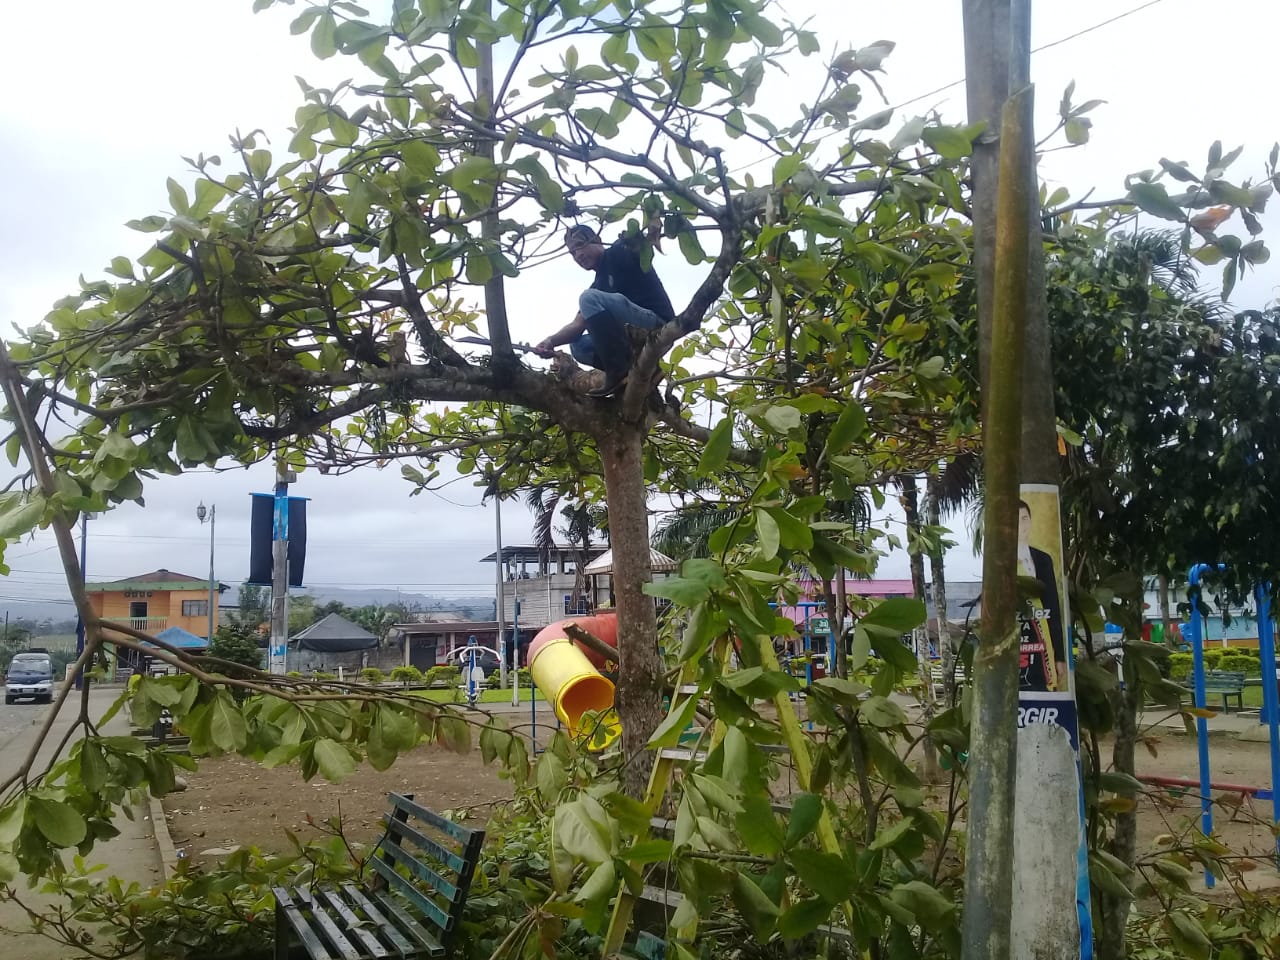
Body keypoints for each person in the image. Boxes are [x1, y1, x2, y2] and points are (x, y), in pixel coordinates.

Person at [533, 225, 676, 397]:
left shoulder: (618, 252)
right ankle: (634, 371)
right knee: (578, 346)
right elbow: (577, 325)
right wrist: (550, 341)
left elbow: (639, 245)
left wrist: (636, 237)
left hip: (658, 325)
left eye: (580, 245)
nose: (578, 255)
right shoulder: (597, 287)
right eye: (572, 253)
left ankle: (617, 371)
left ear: (597, 240)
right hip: (633, 337)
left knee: (588, 298)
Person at [1016, 499, 1068, 691]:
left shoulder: (1043, 559)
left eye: (1024, 518)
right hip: (1017, 639)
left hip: (1043, 641)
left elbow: (1052, 607)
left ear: (1031, 521)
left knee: (1044, 688)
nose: (1021, 525)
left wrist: (1060, 657)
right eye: (1016, 520)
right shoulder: (1001, 561)